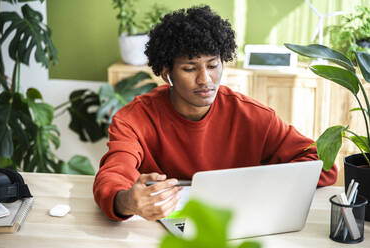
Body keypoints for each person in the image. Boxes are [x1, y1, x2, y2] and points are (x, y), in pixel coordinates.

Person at [93, 5, 337, 221]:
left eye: (212, 65)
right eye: (190, 68)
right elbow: (114, 174)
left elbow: (323, 166)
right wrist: (126, 201)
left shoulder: (253, 115)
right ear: (167, 72)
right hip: (158, 228)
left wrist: (261, 184)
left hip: (239, 223)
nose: (205, 80)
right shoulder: (134, 119)